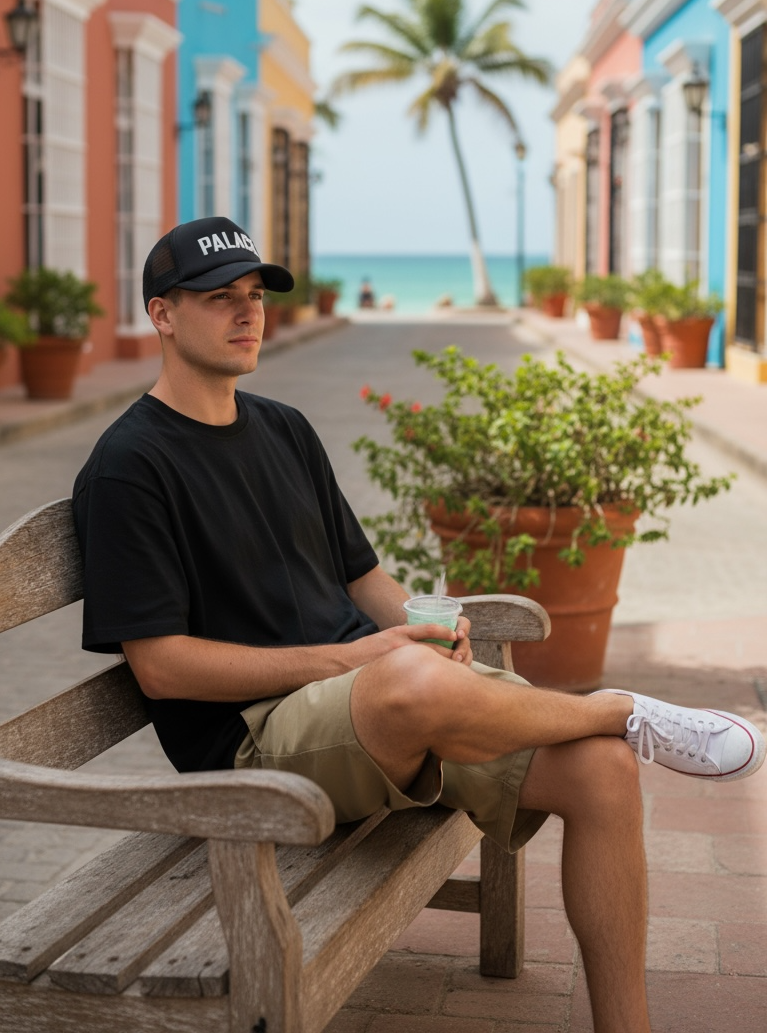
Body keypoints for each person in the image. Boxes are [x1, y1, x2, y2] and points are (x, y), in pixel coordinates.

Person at [73, 217, 765, 1033]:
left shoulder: (284, 428)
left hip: (378, 703)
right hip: (250, 748)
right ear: (162, 314)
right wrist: (362, 659)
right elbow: (162, 669)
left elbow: (362, 577)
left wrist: (431, 626)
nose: (248, 313)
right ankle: (618, 708)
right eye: (221, 297)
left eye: (255, 295)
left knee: (603, 773)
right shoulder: (130, 467)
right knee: (412, 678)